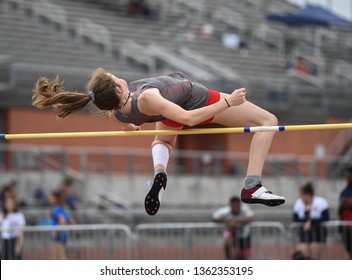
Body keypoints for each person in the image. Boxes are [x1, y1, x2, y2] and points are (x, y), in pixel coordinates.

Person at [32, 68, 285, 216]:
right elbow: (187, 117)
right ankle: (252, 186)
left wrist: (130, 126)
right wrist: (228, 101)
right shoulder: (147, 97)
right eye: (115, 77)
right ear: (118, 89)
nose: (119, 76)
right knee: (267, 120)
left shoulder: (118, 111)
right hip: (196, 101)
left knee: (162, 140)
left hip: (168, 109)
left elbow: (125, 122)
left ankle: (160, 174)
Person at [292, 182, 329, 259]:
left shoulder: (321, 202)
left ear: (308, 194)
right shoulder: (299, 203)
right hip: (304, 235)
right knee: (303, 255)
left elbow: (325, 218)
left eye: (302, 195)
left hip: (318, 235)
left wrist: (312, 222)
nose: (301, 197)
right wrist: (306, 220)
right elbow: (295, 219)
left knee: (315, 256)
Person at [48, 191, 71, 260]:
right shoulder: (60, 208)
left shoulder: (57, 209)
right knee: (59, 257)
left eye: (51, 197)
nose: (49, 199)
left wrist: (56, 232)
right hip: (60, 234)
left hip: (58, 236)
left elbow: (62, 221)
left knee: (59, 257)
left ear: (55, 198)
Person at [338, 166, 352, 259]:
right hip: (347, 227)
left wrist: (348, 203)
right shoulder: (345, 191)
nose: (347, 177)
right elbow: (341, 205)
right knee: (349, 250)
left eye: (349, 175)